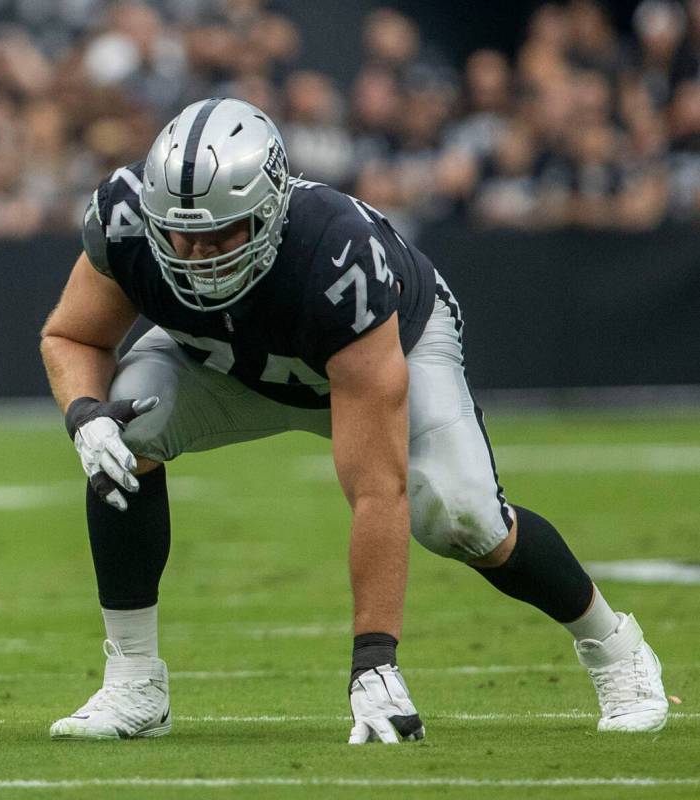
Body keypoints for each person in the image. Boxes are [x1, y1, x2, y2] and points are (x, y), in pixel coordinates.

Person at [40, 98, 668, 743]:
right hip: (226, 361)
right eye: (181, 233)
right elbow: (73, 337)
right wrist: (85, 416)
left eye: (223, 233)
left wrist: (375, 660)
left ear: (272, 210)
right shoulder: (125, 219)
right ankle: (135, 684)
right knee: (122, 433)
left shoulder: (337, 259)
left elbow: (376, 491)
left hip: (389, 343)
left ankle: (615, 649)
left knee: (460, 516)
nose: (198, 254)